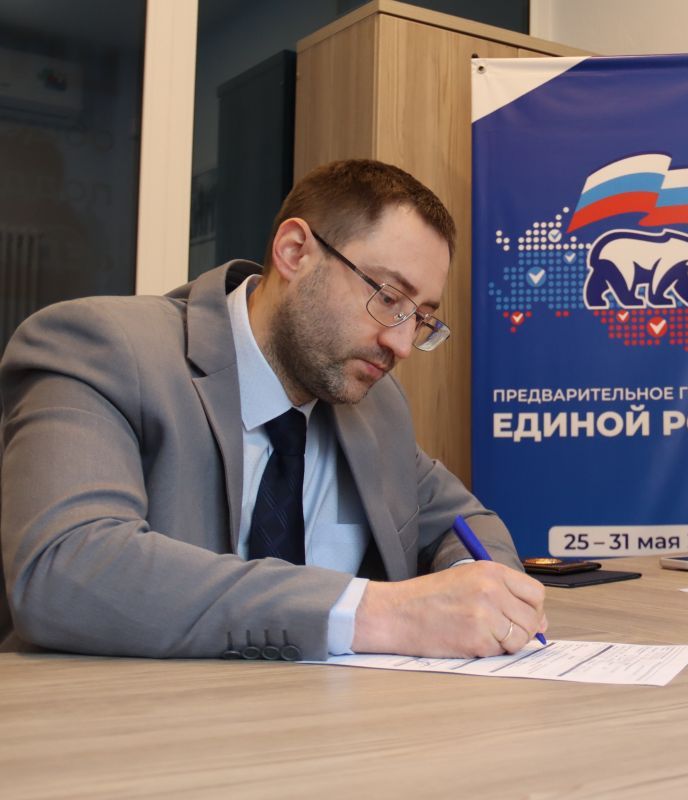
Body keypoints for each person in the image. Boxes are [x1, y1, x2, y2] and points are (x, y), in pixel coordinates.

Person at [0, 159, 548, 659]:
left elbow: (468, 524)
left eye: (421, 319)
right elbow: (64, 567)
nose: (402, 345)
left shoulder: (376, 407)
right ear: (294, 251)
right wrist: (383, 613)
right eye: (387, 298)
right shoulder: (102, 350)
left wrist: (476, 593)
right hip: (133, 722)